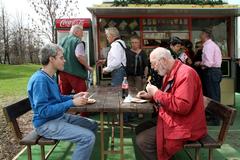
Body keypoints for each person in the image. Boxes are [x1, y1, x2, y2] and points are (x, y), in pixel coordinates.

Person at [27, 43, 98, 160]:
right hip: (45, 124)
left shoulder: (50, 76)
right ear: (51, 59)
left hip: (58, 117)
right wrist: (72, 103)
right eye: (61, 57)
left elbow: (58, 98)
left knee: (92, 125)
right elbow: (43, 111)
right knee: (88, 137)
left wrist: (73, 97)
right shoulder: (40, 80)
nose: (64, 60)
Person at [136, 47, 207, 160]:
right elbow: (169, 98)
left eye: (154, 64)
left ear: (163, 60)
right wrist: (151, 96)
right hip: (175, 118)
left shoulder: (186, 74)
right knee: (140, 127)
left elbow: (182, 106)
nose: (153, 68)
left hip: (187, 125)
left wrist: (156, 92)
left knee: (142, 140)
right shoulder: (171, 72)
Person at [58, 24, 93, 116]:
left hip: (62, 72)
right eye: (81, 33)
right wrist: (88, 67)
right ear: (76, 32)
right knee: (83, 95)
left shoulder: (61, 41)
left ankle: (63, 115)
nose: (82, 35)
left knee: (63, 95)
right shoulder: (77, 41)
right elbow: (79, 56)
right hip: (76, 73)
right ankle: (84, 115)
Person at [195, 28, 222, 125]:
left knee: (213, 96)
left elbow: (209, 63)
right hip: (213, 72)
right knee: (213, 95)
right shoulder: (210, 45)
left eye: (201, 34)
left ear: (205, 34)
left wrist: (199, 63)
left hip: (211, 72)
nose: (200, 36)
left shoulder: (209, 46)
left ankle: (215, 120)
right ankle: (214, 117)